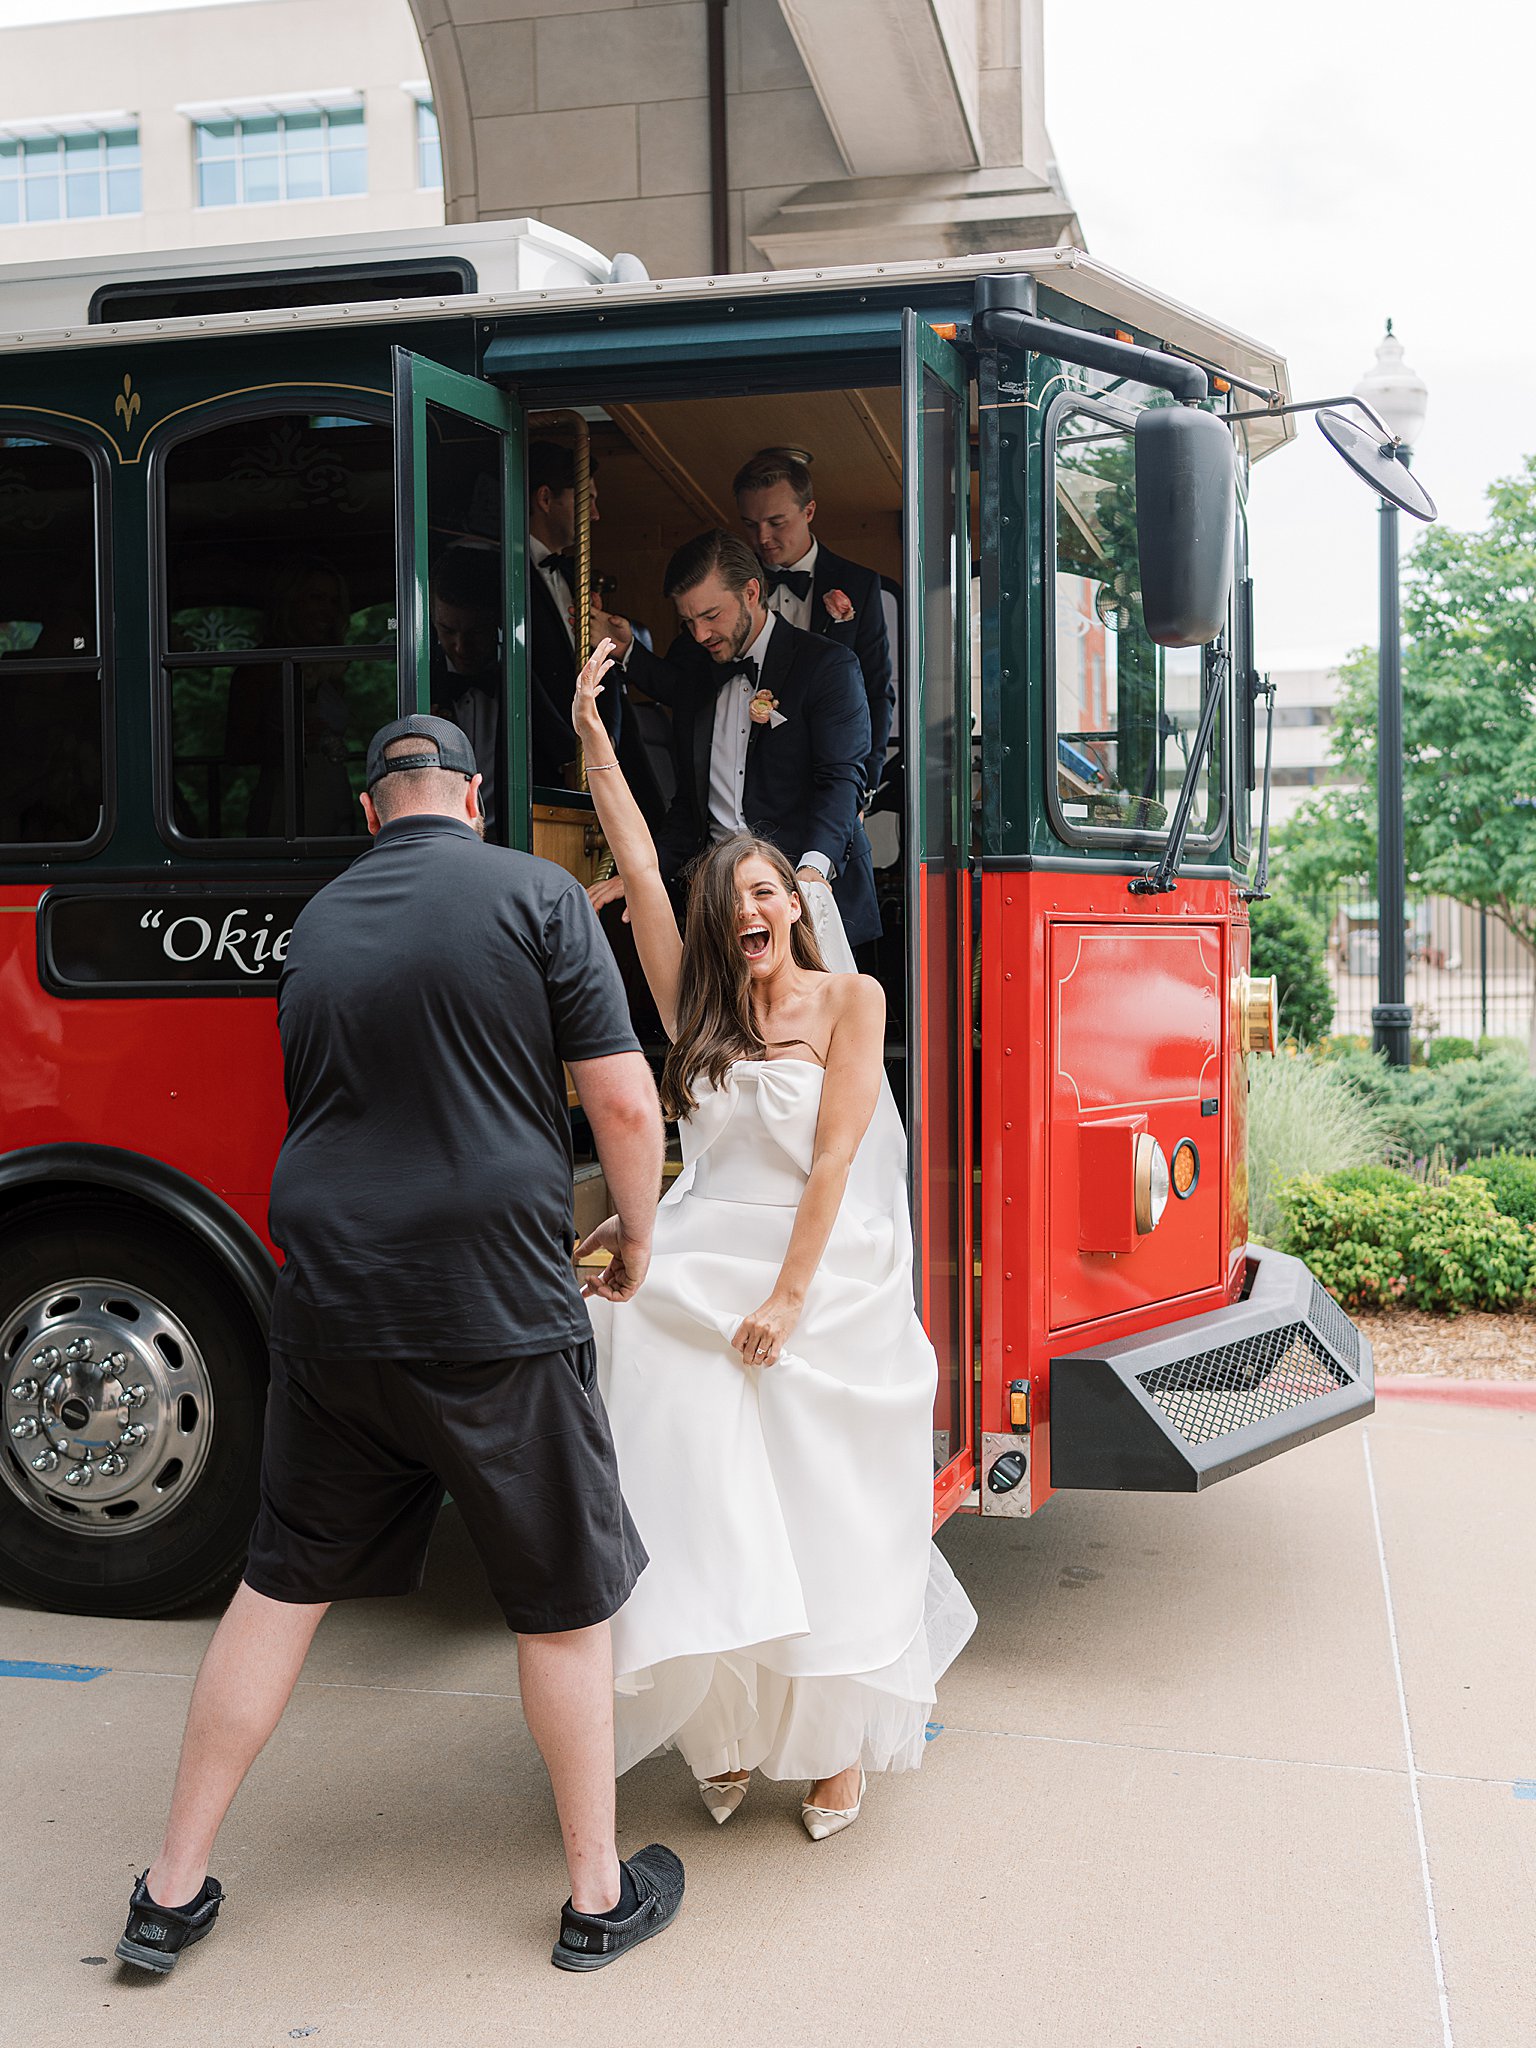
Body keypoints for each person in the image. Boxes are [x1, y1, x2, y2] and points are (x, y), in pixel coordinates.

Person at [115, 713, 683, 1979]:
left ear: (371, 813)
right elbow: (622, 1095)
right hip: (492, 1302)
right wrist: (638, 1233)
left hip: (332, 1301)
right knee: (561, 1601)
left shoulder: (316, 925)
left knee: (278, 1585)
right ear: (474, 798)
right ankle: (597, 1893)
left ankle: (169, 1887)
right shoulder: (540, 896)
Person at [571, 640, 976, 1837]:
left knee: (816, 1501)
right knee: (697, 1476)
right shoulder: (698, 1001)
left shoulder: (852, 999)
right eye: (728, 900)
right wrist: (594, 742)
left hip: (822, 1258)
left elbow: (837, 1160)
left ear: (795, 903)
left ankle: (838, 1740)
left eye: (763, 892)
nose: (745, 909)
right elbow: (640, 867)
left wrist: (790, 1301)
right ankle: (727, 1724)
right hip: (710, 1241)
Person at [591, 531, 880, 950]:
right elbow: (689, 807)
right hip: (721, 909)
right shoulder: (696, 673)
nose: (700, 634)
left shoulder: (827, 666)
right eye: (688, 622)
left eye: (711, 615)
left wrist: (812, 873)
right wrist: (642, 874)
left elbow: (841, 782)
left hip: (813, 900)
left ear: (751, 593)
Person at [733, 446, 894, 815]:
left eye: (776, 522)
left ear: (808, 511)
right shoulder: (732, 586)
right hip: (745, 780)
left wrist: (864, 784)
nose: (762, 538)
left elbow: (876, 691)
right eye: (750, 524)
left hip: (830, 777)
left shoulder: (859, 584)